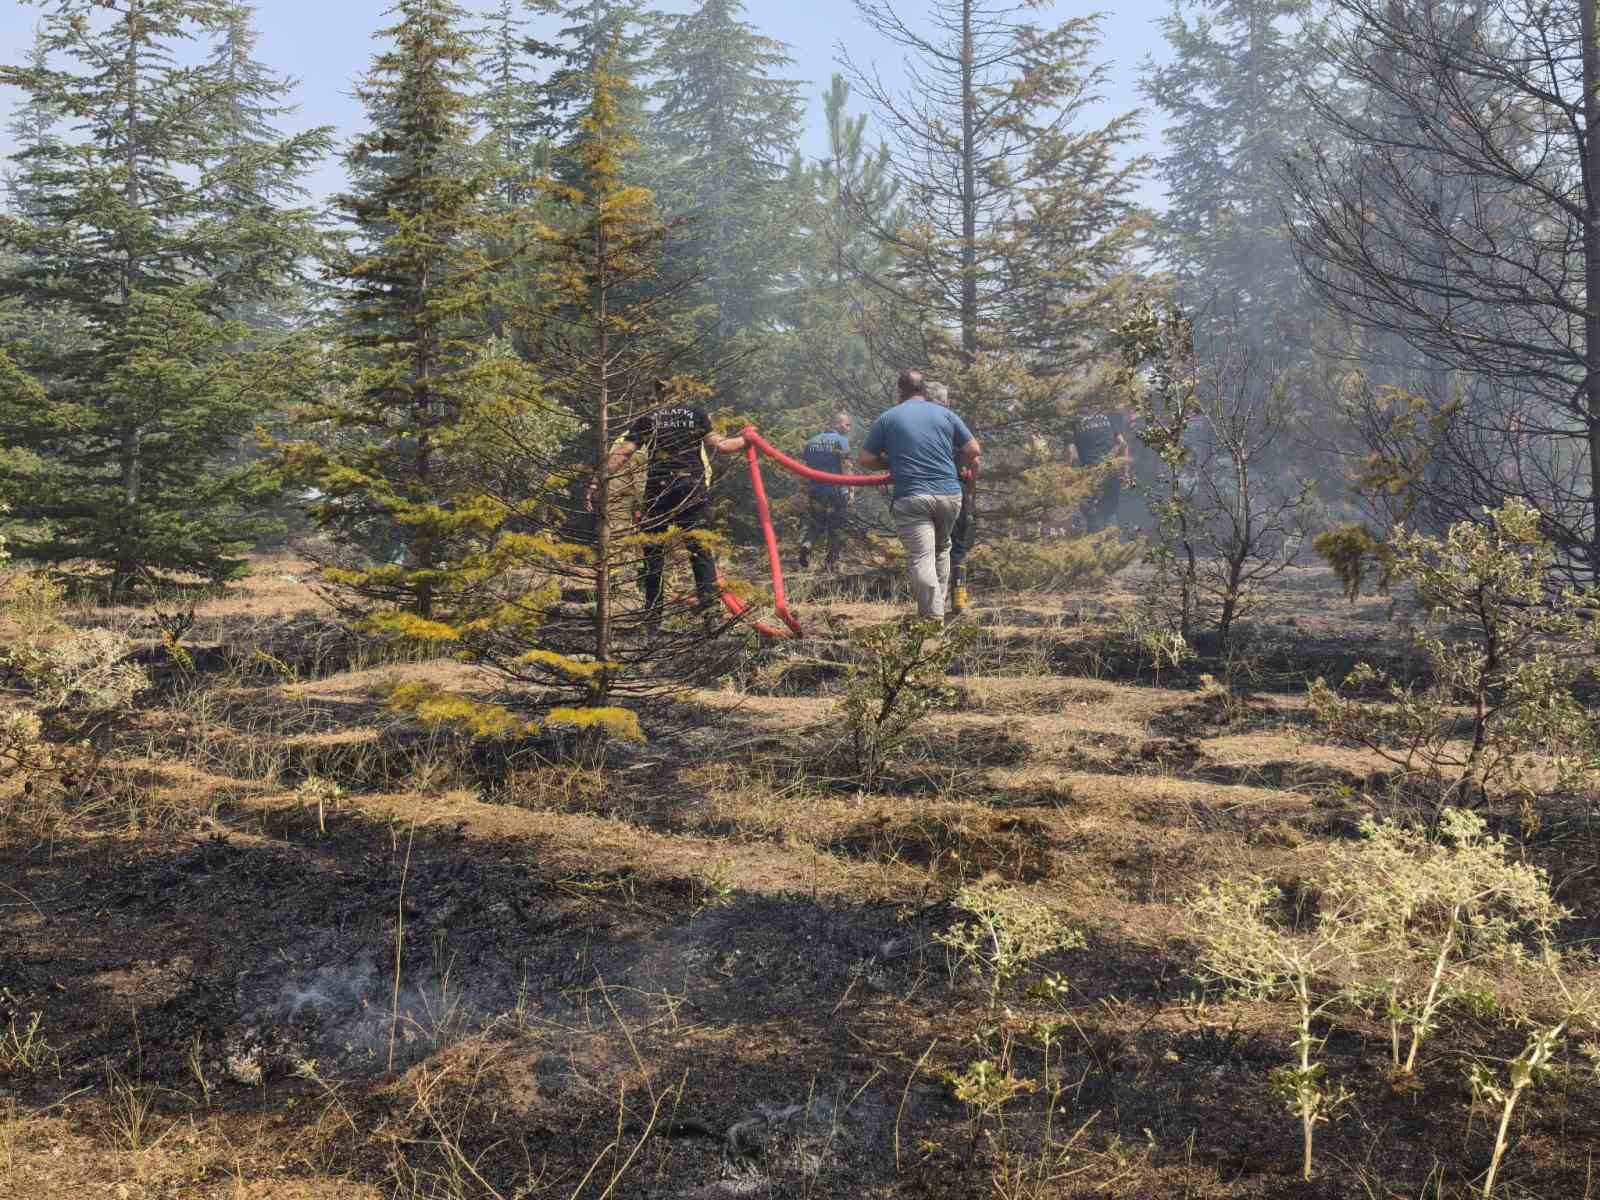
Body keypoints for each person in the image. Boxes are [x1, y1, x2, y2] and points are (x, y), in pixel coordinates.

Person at [588, 380, 748, 629]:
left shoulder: (649, 418)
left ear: (658, 396)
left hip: (658, 492)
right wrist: (747, 438)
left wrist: (597, 482)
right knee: (700, 552)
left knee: (653, 554)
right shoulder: (696, 413)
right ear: (680, 393)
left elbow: (623, 452)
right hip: (691, 489)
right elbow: (721, 445)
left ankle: (652, 619)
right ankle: (712, 617)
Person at [858, 369, 982, 621]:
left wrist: (891, 463)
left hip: (912, 496)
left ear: (899, 392)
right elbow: (973, 450)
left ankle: (932, 618)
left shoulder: (888, 418)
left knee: (922, 556)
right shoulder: (946, 414)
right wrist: (953, 463)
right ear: (924, 390)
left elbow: (866, 458)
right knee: (942, 549)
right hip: (949, 495)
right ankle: (939, 608)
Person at [927, 381, 976, 618]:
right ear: (946, 402)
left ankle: (934, 602)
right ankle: (959, 601)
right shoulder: (953, 422)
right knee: (957, 547)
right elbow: (975, 458)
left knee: (930, 548)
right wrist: (969, 490)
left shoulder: (921, 426)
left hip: (925, 491)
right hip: (956, 491)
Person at [798, 413, 854, 572]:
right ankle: (832, 562)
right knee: (837, 526)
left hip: (816, 490)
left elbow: (805, 468)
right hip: (837, 490)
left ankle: (807, 544)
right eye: (847, 425)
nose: (849, 428)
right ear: (836, 424)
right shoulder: (841, 441)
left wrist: (803, 491)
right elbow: (846, 466)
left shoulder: (812, 442)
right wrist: (851, 490)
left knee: (816, 523)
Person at [1066, 406, 1132, 533]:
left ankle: (1096, 539)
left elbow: (1071, 455)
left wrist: (1070, 480)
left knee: (1090, 514)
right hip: (1111, 471)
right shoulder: (1107, 418)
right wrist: (1125, 472)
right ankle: (1112, 541)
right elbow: (1123, 444)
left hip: (1090, 476)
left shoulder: (1073, 424)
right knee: (1110, 512)